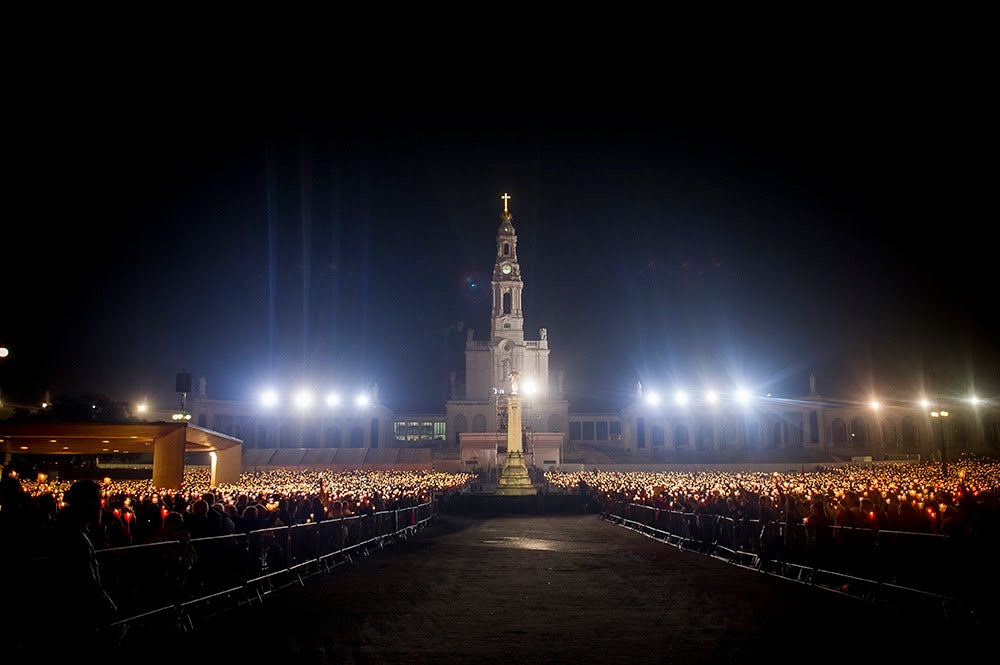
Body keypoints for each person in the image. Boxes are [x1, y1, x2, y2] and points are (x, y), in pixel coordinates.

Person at [51, 479, 119, 650]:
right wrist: (108, 606)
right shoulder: (75, 537)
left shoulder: (72, 529)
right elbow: (87, 581)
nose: (101, 506)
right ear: (88, 502)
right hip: (77, 614)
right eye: (98, 500)